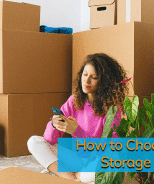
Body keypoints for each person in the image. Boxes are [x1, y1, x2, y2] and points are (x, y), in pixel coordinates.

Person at [27, 53, 129, 183]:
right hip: (75, 159)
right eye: (85, 74)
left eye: (94, 77)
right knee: (34, 142)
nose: (86, 81)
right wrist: (54, 124)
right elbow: (49, 140)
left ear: (104, 82)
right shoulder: (74, 101)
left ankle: (75, 177)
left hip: (96, 161)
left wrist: (76, 132)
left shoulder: (112, 109)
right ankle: (71, 178)